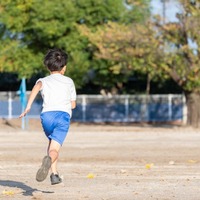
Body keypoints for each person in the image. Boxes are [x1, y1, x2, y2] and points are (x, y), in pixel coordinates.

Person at [19, 48, 76, 185]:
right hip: (62, 117)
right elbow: (73, 105)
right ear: (64, 67)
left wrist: (28, 106)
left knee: (51, 144)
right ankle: (49, 162)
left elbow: (36, 87)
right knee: (54, 150)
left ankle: (54, 175)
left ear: (48, 66)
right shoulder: (69, 81)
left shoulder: (43, 80)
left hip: (46, 116)